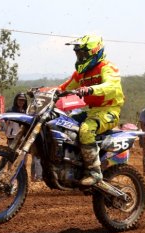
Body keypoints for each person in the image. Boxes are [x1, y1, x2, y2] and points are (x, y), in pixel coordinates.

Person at [59, 35, 124, 186]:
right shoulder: (80, 74)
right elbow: (63, 88)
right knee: (62, 123)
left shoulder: (107, 67)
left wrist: (91, 89)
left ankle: (94, 172)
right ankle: (73, 163)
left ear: (95, 52)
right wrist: (41, 91)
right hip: (92, 111)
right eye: (78, 54)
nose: (80, 57)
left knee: (86, 130)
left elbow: (111, 86)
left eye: (83, 54)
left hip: (109, 111)